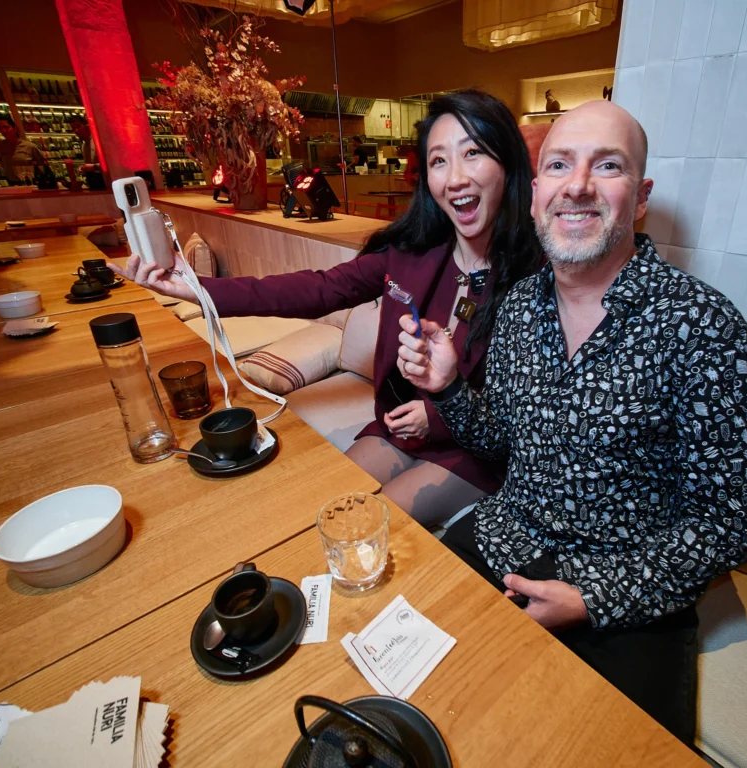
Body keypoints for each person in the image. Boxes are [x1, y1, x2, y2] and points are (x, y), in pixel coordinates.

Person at [395, 100, 747, 745]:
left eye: (608, 166)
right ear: (536, 190)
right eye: (560, 165)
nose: (577, 185)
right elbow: (499, 442)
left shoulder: (702, 328)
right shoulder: (517, 309)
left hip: (627, 593)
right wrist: (451, 385)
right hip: (503, 543)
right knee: (403, 694)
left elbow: (738, 518)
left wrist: (593, 595)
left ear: (642, 196)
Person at [111, 90, 543, 527]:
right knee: (318, 510)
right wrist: (197, 289)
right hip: (398, 428)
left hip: (472, 450)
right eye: (438, 161)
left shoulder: (539, 277)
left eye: (473, 154)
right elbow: (316, 291)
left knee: (368, 526)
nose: (455, 178)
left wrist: (435, 414)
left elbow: (535, 408)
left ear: (508, 164)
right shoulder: (412, 252)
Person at [0, 115, 47, 183]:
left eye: (6, 127)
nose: (3, 131)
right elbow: (2, 164)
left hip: (30, 182)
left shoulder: (30, 146)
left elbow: (43, 165)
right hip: (11, 183)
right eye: (0, 128)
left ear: (15, 128)